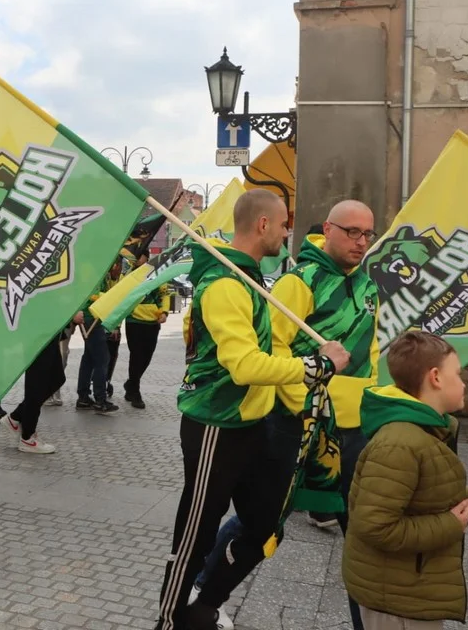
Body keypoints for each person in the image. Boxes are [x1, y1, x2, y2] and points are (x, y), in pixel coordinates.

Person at [154, 189, 349, 630]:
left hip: (255, 424)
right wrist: (316, 367)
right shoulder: (224, 284)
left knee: (264, 523)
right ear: (263, 225)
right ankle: (168, 622)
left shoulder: (249, 277)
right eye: (284, 224)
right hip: (216, 427)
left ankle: (207, 601)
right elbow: (243, 366)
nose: (287, 232)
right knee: (196, 534)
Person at [193, 200, 381, 630]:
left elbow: (369, 354)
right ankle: (205, 592)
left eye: (368, 234)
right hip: (297, 421)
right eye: (352, 232)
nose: (361, 242)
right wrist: (304, 401)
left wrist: (372, 405)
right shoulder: (300, 282)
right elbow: (271, 348)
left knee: (363, 530)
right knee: (261, 518)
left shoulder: (368, 287)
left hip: (352, 430)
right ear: (328, 229)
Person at [342, 331, 468, 630]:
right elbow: (375, 525)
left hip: (408, 589)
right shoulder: (399, 444)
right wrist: (450, 524)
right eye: (458, 374)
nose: (464, 383)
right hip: (396, 601)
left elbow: (428, 494)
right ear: (436, 378)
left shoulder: (425, 430)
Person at [0, 314, 81, 454]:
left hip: (50, 332)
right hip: (38, 333)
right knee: (37, 384)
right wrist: (71, 316)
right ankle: (27, 438)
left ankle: (15, 417)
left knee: (57, 378)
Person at [122, 251, 171, 410]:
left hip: (152, 321)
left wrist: (164, 311)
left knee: (146, 357)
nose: (138, 260)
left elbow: (165, 294)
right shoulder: (129, 275)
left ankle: (130, 384)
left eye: (141, 256)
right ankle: (135, 391)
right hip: (134, 320)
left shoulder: (158, 273)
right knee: (136, 356)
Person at [76, 261, 122, 414]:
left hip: (93, 317)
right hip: (91, 318)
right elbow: (92, 293)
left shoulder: (98, 269)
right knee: (102, 359)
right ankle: (100, 399)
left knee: (89, 358)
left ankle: (83, 397)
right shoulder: (94, 269)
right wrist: (111, 296)